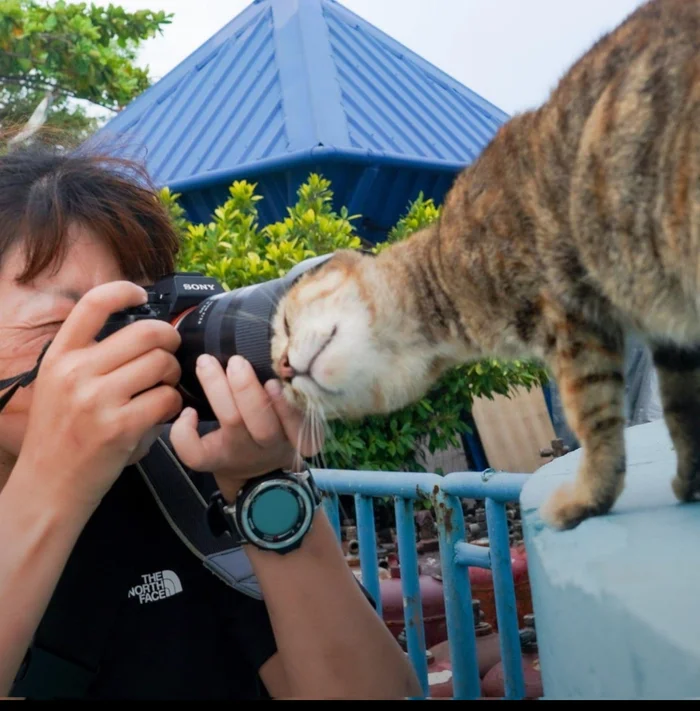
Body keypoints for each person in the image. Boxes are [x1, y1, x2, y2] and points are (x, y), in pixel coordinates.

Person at [0, 143, 421, 700]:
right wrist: (53, 482)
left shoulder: (181, 482)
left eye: (136, 318)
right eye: (63, 324)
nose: (124, 354)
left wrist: (260, 482)